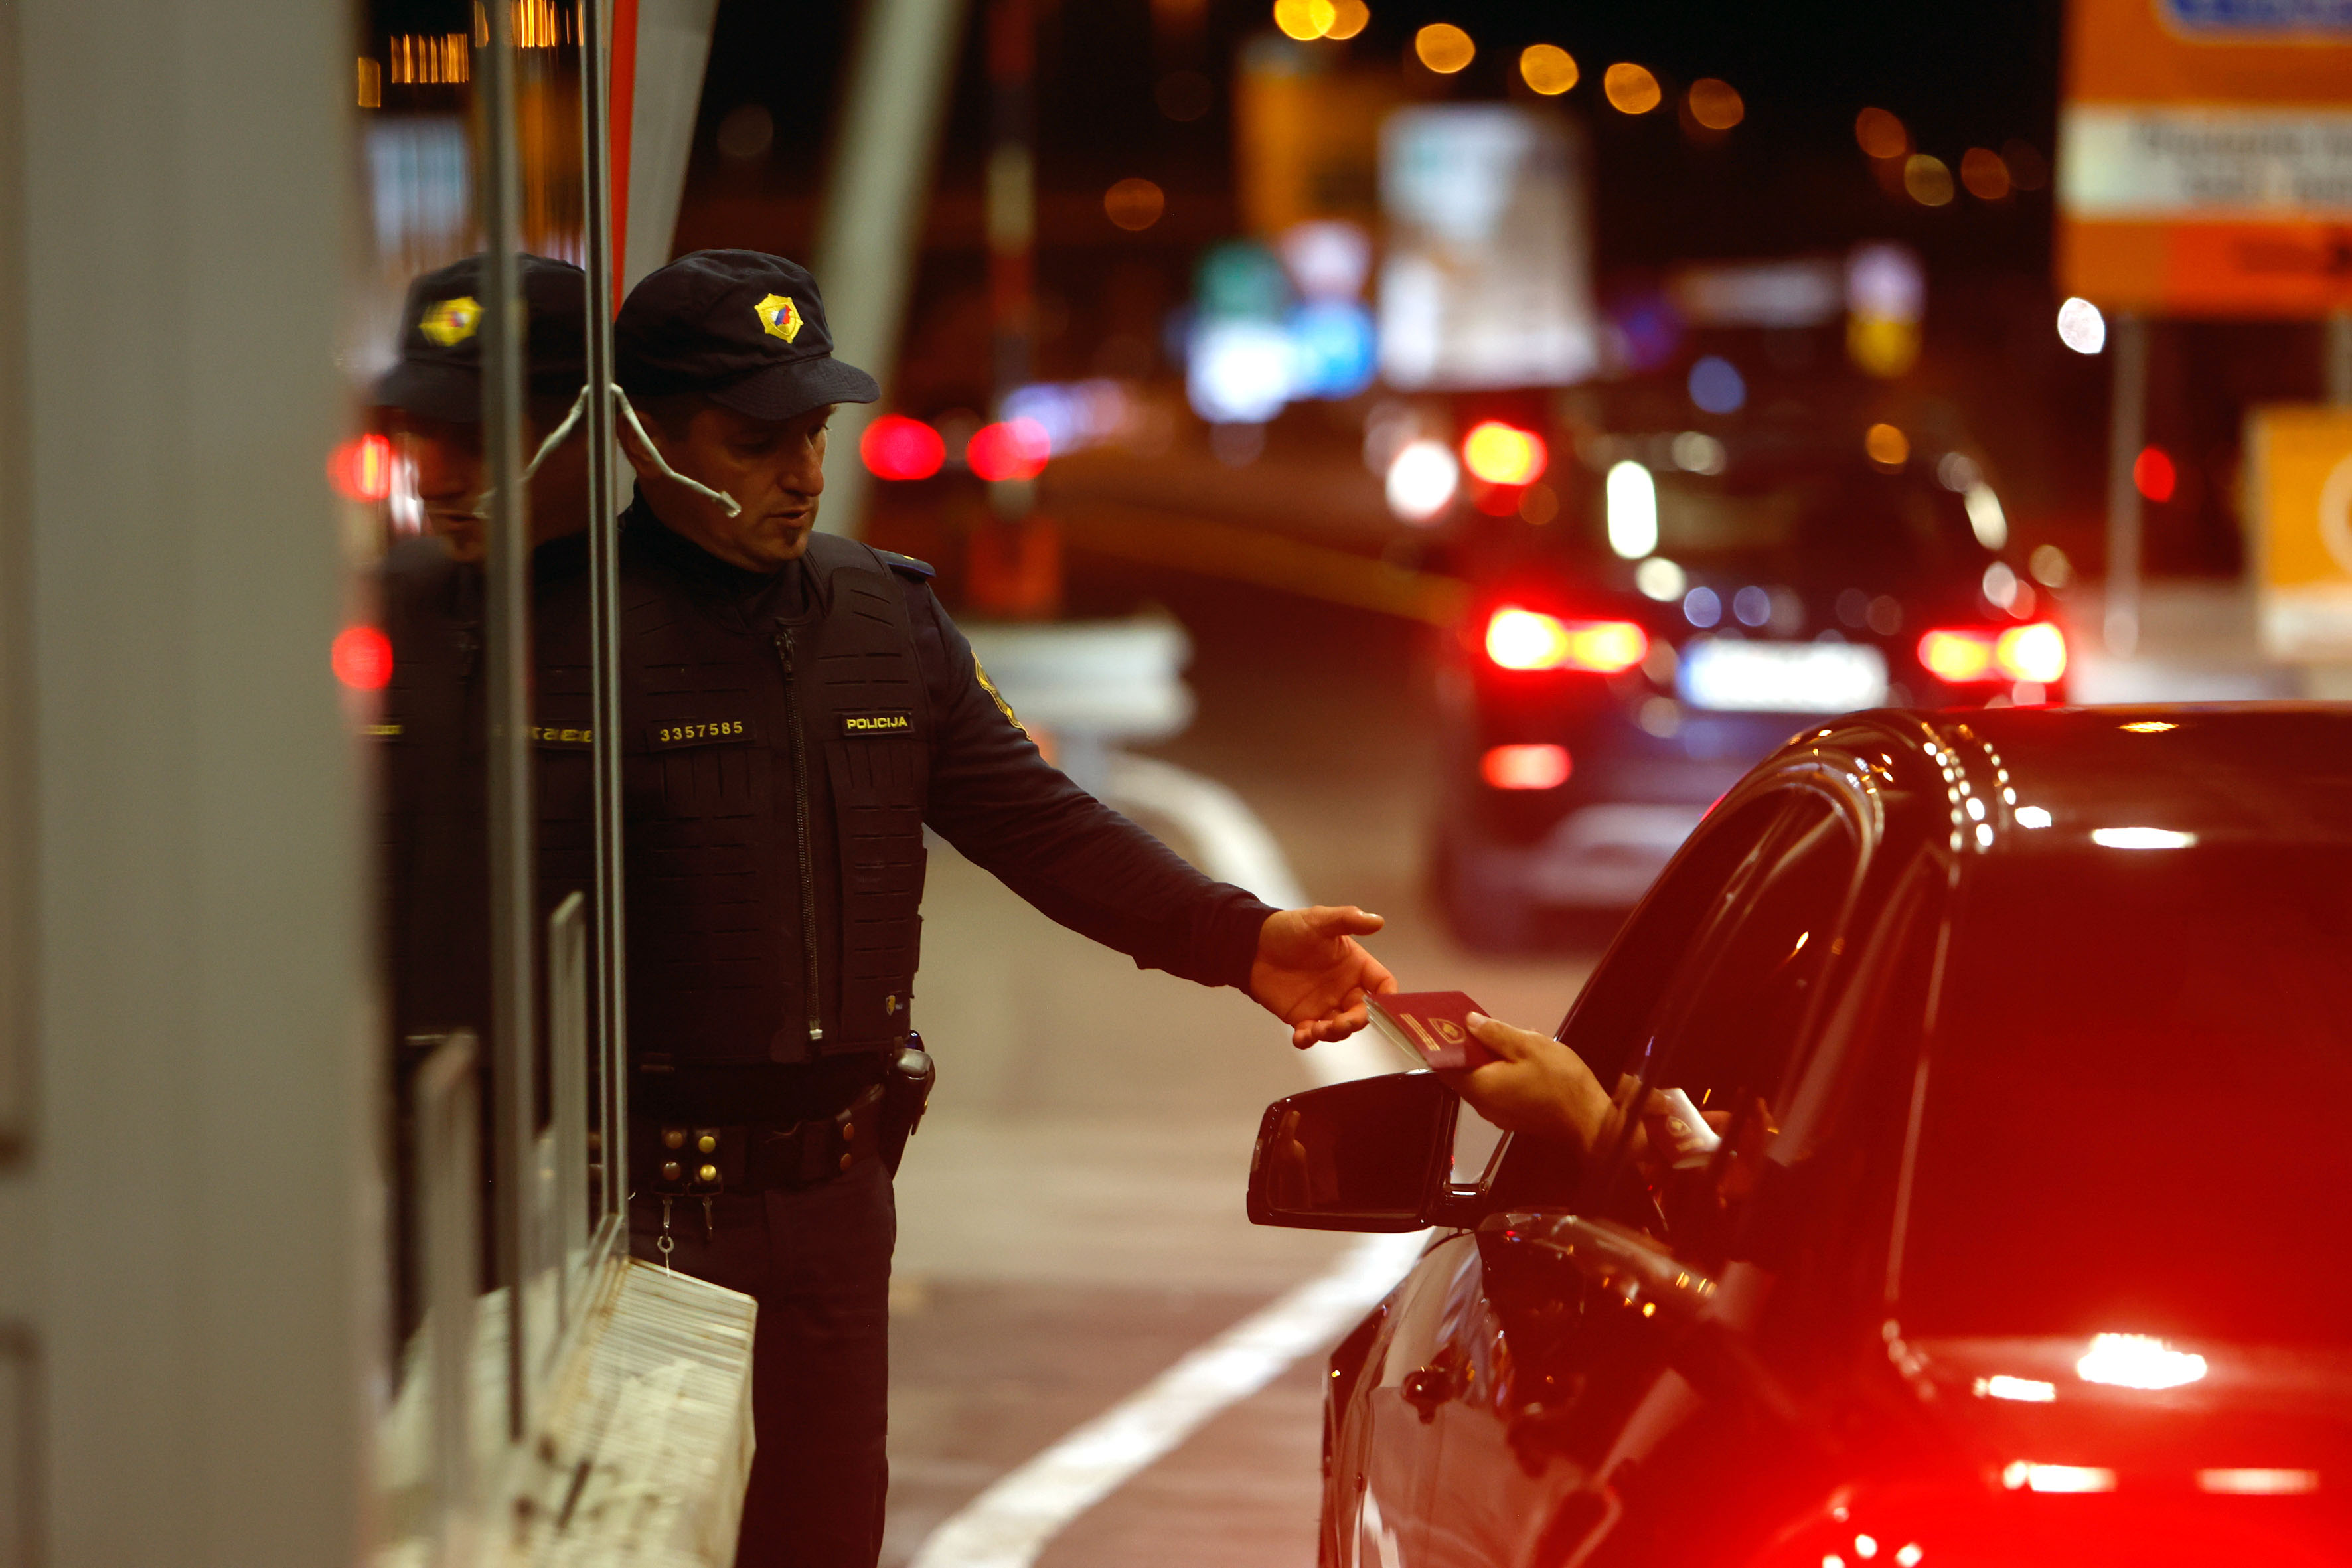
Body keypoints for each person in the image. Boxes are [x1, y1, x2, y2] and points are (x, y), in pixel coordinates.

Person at [530, 248, 1396, 1568]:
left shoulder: (886, 622)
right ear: (644, 433)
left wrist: (1244, 939)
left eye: (814, 434)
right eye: (756, 441)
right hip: (633, 1216)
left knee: (826, 1542)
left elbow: (1040, 823)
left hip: (838, 1202)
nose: (802, 473)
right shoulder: (557, 639)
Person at [369, 252, 593, 1334]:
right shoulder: (378, 612)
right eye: (422, 434)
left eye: (480, 438)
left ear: (581, 429)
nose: (437, 476)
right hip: (408, 1147)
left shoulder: (655, 624)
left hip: (592, 1163)